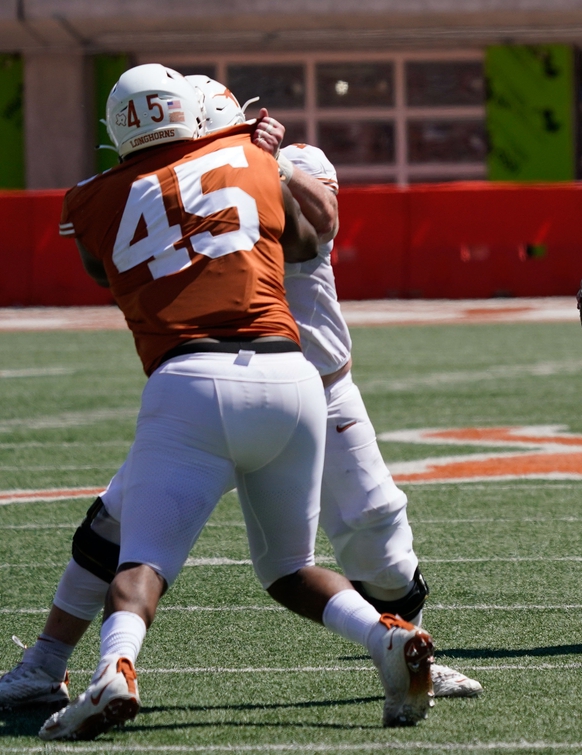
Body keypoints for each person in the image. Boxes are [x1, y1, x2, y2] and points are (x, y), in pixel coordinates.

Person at [0, 77, 479, 719]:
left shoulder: (243, 166)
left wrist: (268, 161)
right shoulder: (241, 163)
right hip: (286, 384)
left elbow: (317, 228)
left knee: (377, 538)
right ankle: (44, 664)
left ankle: (406, 637)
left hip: (251, 386)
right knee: (125, 531)